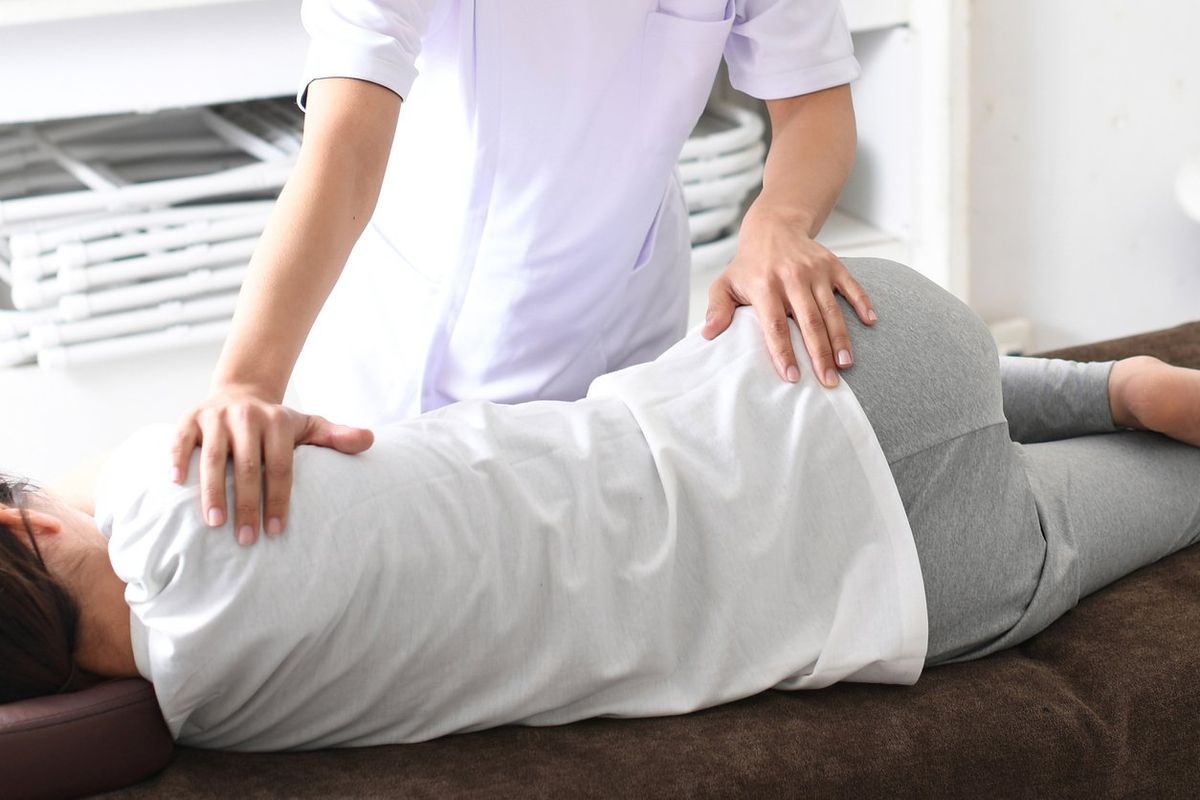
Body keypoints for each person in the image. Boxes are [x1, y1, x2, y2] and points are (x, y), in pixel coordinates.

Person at [4, 259, 1199, 750]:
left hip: (924, 585)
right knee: (790, 407)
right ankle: (1110, 387)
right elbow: (93, 484)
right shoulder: (171, 488)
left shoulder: (214, 717)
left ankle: (1124, 418)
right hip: (843, 350)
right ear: (30, 524)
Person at [171, 0, 877, 547]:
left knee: (606, 562)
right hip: (408, 357)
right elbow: (345, 146)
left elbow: (813, 99)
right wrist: (248, 382)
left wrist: (779, 221)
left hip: (621, 321)